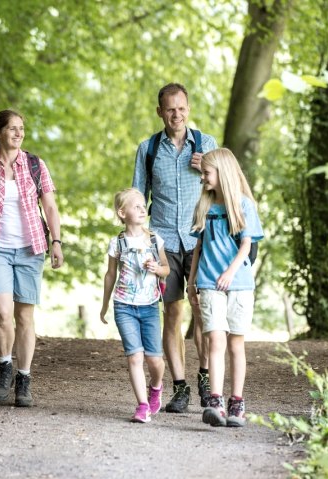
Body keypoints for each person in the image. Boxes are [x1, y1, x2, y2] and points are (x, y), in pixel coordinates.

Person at [0, 109, 64, 407]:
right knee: (3, 313)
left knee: (24, 317)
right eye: (12, 128)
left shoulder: (35, 164)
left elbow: (50, 206)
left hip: (31, 248)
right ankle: (4, 366)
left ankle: (24, 377)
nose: (19, 133)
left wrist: (56, 242)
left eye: (22, 128)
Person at [132, 83, 218, 412]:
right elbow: (137, 198)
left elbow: (225, 188)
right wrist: (138, 243)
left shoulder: (207, 145)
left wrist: (206, 168)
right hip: (163, 242)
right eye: (170, 109)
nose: (176, 115)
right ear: (160, 112)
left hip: (200, 239)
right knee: (172, 313)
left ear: (189, 108)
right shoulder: (148, 149)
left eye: (181, 108)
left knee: (202, 310)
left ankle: (206, 378)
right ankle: (180, 387)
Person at [187, 148, 263, 427]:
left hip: (239, 284)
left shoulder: (244, 205)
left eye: (206, 173)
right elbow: (197, 247)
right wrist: (192, 282)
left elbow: (246, 244)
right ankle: (215, 402)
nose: (202, 178)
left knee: (235, 344)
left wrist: (230, 272)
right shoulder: (204, 206)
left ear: (222, 173)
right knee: (214, 341)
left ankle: (237, 403)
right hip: (208, 283)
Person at [100, 188, 169, 423]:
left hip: (149, 306)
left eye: (143, 206)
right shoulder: (116, 243)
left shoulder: (154, 239)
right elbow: (110, 275)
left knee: (155, 360)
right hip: (124, 306)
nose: (142, 209)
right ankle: (142, 406)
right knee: (134, 357)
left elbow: (167, 269)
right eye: (136, 206)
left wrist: (157, 269)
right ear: (122, 212)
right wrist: (104, 305)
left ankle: (156, 387)